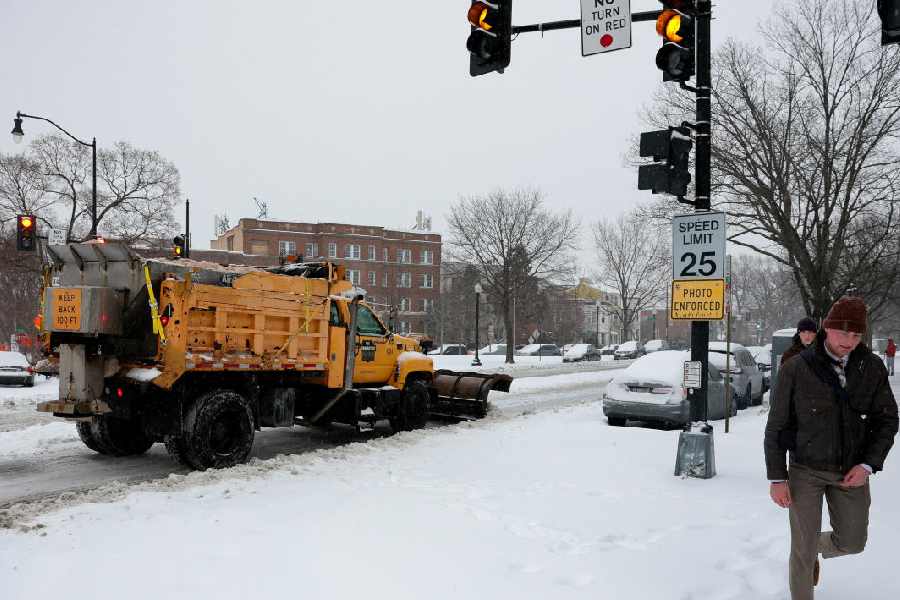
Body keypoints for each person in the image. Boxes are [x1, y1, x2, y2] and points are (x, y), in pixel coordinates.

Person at [764, 297, 898, 600]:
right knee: (801, 550)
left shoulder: (872, 367)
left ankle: (813, 548)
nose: (849, 341)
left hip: (850, 471)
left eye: (856, 335)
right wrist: (776, 477)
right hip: (804, 471)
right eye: (842, 333)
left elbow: (888, 420)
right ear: (827, 328)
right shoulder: (797, 367)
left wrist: (867, 465)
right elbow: (776, 426)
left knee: (852, 542)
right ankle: (805, 556)